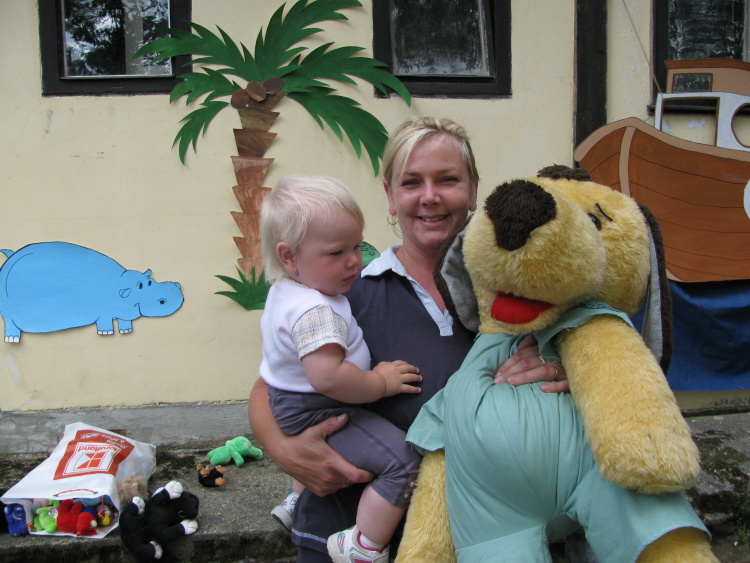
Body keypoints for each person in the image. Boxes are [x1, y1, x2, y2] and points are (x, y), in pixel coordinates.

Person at [249, 117, 570, 562]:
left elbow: (589, 361)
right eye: (411, 182)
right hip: (344, 536)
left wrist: (559, 370)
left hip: (490, 540)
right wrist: (284, 450)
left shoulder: (522, 292)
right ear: (390, 195)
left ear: (473, 190)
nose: (429, 196)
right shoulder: (341, 294)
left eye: (448, 179)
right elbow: (269, 388)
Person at [259, 175, 424, 563]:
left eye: (356, 246)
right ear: (289, 257)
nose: (354, 261)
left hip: (291, 402)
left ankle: (294, 500)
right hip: (318, 407)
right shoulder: (315, 310)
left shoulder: (290, 290)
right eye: (337, 252)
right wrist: (379, 382)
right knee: (403, 463)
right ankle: (362, 545)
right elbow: (328, 377)